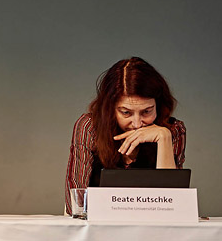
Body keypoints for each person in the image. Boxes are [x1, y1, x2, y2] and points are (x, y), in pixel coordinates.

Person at [65, 57, 186, 214]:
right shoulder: (89, 127)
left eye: (147, 111)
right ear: (110, 108)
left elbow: (174, 208)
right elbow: (76, 203)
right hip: (99, 231)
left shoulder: (173, 130)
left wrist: (164, 138)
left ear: (158, 104)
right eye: (126, 112)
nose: (136, 123)